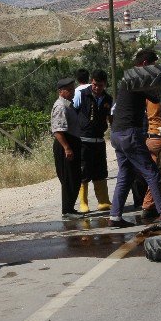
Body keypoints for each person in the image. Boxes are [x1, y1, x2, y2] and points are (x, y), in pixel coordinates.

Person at [109, 49, 161, 228]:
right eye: (153, 64)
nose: (153, 68)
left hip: (117, 134)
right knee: (152, 172)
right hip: (130, 134)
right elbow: (156, 97)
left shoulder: (130, 79)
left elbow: (152, 97)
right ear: (145, 64)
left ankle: (115, 216)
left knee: (125, 174)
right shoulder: (137, 79)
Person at [75, 69, 113, 213]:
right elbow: (72, 111)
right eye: (95, 84)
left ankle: (103, 201)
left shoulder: (108, 99)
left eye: (100, 85)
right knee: (83, 172)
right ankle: (83, 203)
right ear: (92, 82)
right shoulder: (81, 94)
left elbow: (109, 117)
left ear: (105, 84)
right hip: (83, 140)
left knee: (101, 171)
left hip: (99, 140)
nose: (97, 88)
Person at [51, 77, 83, 217]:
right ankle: (67, 210)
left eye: (73, 89)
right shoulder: (61, 106)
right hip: (65, 143)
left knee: (74, 177)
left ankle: (70, 208)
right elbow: (58, 131)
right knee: (68, 178)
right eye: (69, 90)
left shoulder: (68, 105)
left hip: (72, 142)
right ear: (61, 91)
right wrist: (67, 148)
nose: (72, 92)